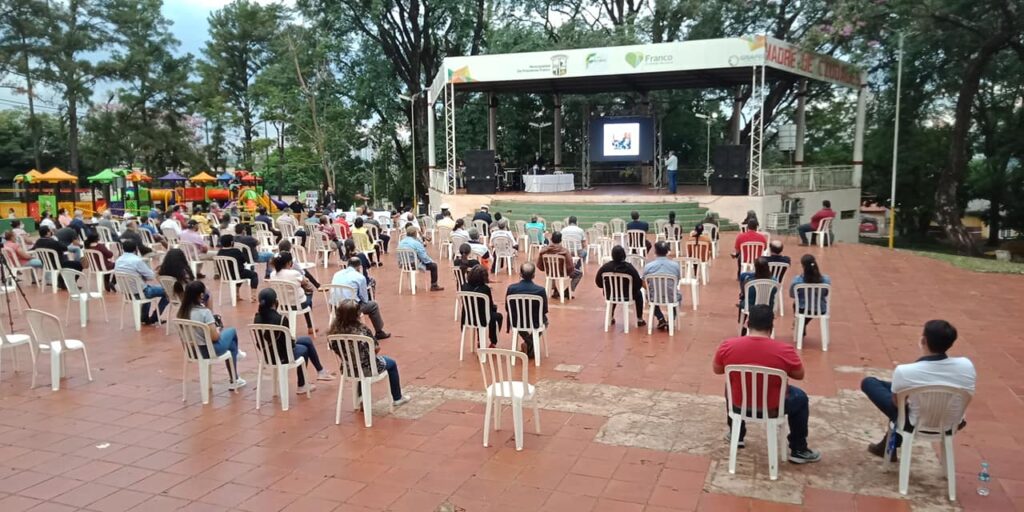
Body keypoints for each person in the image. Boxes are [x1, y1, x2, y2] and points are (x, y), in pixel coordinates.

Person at [713, 304, 821, 463]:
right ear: (771, 325)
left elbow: (718, 370)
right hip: (773, 408)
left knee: (731, 383)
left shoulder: (728, 346)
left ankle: (737, 434)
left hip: (739, 406)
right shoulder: (785, 350)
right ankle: (799, 448)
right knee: (800, 397)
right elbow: (799, 374)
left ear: (747, 323)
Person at [860, 320, 976, 459]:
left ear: (924, 340)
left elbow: (897, 404)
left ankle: (890, 444)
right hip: (951, 421)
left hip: (917, 422)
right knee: (900, 393)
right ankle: (888, 444)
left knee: (871, 384)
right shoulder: (967, 366)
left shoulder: (906, 371)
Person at [328, 299, 409, 407]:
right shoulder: (362, 330)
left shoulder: (334, 332)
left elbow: (335, 349)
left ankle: (361, 397)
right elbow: (376, 348)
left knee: (359, 363)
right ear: (356, 315)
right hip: (367, 368)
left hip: (348, 368)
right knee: (392, 364)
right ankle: (398, 398)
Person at [178, 280, 245, 389]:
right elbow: (214, 337)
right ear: (201, 295)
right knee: (231, 332)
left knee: (231, 344)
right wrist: (217, 330)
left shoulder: (181, 313)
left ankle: (235, 372)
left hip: (192, 351)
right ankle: (234, 377)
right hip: (208, 351)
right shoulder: (205, 313)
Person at [329, 257, 390, 340]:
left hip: (335, 306)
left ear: (348, 264)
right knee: (373, 305)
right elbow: (364, 299)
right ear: (359, 267)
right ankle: (379, 332)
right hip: (350, 309)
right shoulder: (360, 277)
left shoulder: (337, 274)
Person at [114, 239, 168, 324]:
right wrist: (156, 271)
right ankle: (155, 317)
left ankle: (144, 317)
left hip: (127, 292)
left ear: (123, 249)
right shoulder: (137, 260)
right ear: (136, 249)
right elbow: (151, 277)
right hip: (141, 292)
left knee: (145, 287)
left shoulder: (118, 260)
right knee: (168, 291)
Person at [595, 246, 645, 327]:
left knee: (613, 295)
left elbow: (598, 282)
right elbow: (638, 283)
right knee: (639, 295)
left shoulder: (605, 267)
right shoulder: (629, 267)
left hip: (610, 295)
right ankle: (639, 318)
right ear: (624, 255)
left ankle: (610, 317)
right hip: (627, 295)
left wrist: (605, 287)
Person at [269, 252, 318, 335]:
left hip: (282, 304)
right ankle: (310, 326)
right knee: (309, 291)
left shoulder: (272, 274)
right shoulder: (294, 273)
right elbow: (305, 282)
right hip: (298, 304)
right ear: (289, 263)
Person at [505, 263, 547, 358]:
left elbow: (508, 308)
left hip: (516, 321)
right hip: (535, 321)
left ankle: (528, 344)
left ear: (520, 274)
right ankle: (530, 344)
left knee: (517, 320)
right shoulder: (540, 290)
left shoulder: (511, 288)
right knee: (545, 321)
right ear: (533, 275)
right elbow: (544, 310)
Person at [642, 241, 681, 331]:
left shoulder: (648, 266)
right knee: (678, 296)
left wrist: (649, 289)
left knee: (648, 295)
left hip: (654, 296)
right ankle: (671, 319)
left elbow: (643, 281)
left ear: (655, 252)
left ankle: (660, 318)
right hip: (671, 296)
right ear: (667, 252)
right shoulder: (675, 266)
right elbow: (677, 281)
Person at [461, 265, 502, 348]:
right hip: (483, 318)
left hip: (468, 317)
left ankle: (480, 340)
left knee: (483, 314)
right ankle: (493, 341)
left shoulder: (464, 286)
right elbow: (490, 305)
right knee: (497, 316)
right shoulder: (485, 289)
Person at [789, 254, 831, 330]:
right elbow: (826, 294)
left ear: (803, 266)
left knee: (796, 305)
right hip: (820, 309)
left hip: (802, 309)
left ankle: (800, 324)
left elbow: (792, 295)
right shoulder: (826, 280)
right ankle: (802, 324)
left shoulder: (797, 281)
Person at [536, 231, 582, 299]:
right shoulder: (565, 251)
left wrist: (547, 269)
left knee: (554, 270)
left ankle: (557, 291)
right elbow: (570, 267)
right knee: (579, 273)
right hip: (563, 273)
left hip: (550, 272)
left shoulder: (543, 251)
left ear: (551, 239)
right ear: (561, 240)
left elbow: (539, 265)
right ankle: (566, 292)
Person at [738, 257, 778, 335]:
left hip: (751, 306)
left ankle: (743, 328)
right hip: (768, 306)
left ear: (756, 268)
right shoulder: (774, 281)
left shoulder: (750, 282)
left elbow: (746, 294)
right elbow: (775, 292)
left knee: (742, 303)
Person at [397, 226, 443, 291]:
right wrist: (431, 261)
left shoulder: (400, 242)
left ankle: (412, 285)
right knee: (434, 266)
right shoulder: (416, 243)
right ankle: (434, 285)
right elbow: (424, 257)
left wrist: (400, 263)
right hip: (413, 265)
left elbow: (398, 255)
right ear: (415, 233)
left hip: (404, 264)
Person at [216, 234, 259, 301]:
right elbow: (244, 260)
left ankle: (237, 294)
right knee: (254, 274)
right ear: (231, 242)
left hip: (225, 276)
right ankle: (253, 296)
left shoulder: (219, 252)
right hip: (237, 274)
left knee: (239, 273)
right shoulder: (236, 251)